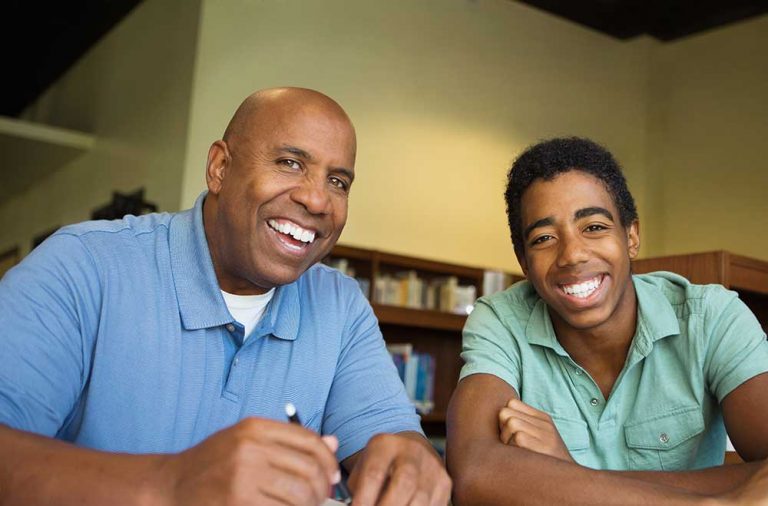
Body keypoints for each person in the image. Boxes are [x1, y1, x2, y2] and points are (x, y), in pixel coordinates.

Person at [0, 87, 450, 506]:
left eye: (338, 182)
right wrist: (171, 483)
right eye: (290, 163)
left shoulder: (341, 305)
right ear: (219, 168)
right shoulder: (85, 264)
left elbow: (394, 441)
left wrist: (412, 466)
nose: (317, 200)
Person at [447, 137, 768, 505]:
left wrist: (569, 475)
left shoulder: (712, 317)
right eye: (544, 238)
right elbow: (474, 474)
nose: (572, 254)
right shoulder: (501, 321)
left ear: (631, 237)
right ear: (523, 262)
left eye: (594, 227)